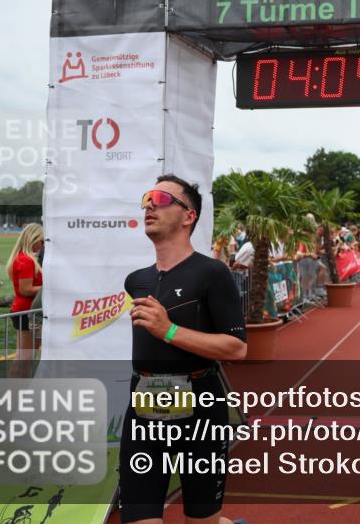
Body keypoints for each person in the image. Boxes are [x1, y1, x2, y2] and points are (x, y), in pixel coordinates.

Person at [119, 174, 247, 524]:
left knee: (201, 521)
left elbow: (236, 348)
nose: (148, 205)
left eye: (160, 199)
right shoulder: (137, 280)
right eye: (146, 198)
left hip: (202, 404)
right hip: (145, 403)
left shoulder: (212, 273)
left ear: (188, 215)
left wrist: (169, 330)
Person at [6, 223, 43, 377]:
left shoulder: (23, 258)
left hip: (24, 311)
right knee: (24, 357)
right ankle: (13, 393)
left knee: (25, 357)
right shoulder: (26, 260)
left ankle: (20, 391)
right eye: (41, 241)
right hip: (26, 312)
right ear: (32, 239)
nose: (42, 245)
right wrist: (48, 289)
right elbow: (25, 289)